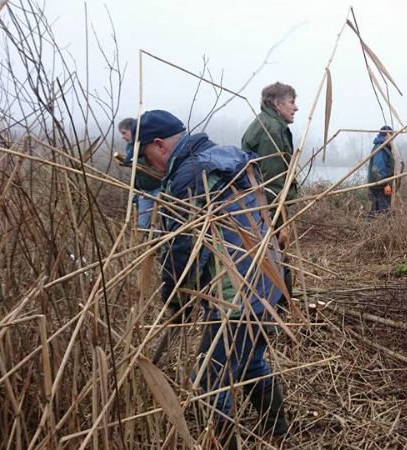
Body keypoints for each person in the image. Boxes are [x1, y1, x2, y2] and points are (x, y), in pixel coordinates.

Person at [136, 110, 289, 447]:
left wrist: (176, 300)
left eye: (146, 156)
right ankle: (278, 428)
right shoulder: (225, 156)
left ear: (159, 145)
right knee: (250, 360)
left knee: (209, 381)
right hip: (268, 282)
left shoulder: (189, 178)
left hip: (237, 293)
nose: (150, 166)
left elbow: (182, 252)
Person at [241, 82, 299, 306]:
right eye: (291, 102)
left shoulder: (269, 124)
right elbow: (272, 182)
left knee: (271, 255)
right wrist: (279, 220)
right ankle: (280, 308)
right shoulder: (271, 130)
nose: (296, 108)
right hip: (267, 208)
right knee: (275, 254)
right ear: (277, 103)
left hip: (261, 205)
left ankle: (279, 305)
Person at [118, 118, 162, 230]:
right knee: (142, 224)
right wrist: (135, 189)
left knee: (162, 220)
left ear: (133, 130)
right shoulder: (129, 147)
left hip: (159, 188)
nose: (123, 137)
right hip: (144, 191)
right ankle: (146, 238)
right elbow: (136, 172)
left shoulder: (147, 144)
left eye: (124, 133)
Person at [367, 125, 395, 216]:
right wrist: (385, 184)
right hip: (380, 188)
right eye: (392, 136)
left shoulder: (385, 147)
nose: (393, 140)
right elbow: (378, 169)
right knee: (381, 213)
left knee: (377, 212)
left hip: (380, 186)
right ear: (387, 135)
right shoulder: (380, 148)